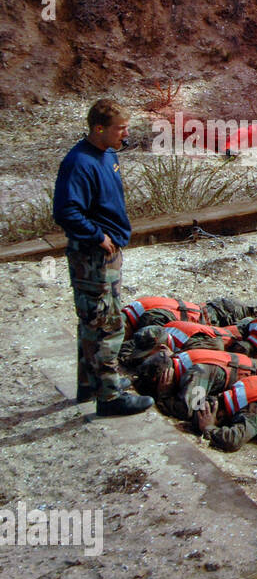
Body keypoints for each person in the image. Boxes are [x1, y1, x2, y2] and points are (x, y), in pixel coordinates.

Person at [52, 98, 153, 416]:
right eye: (120, 128)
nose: (126, 134)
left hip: (104, 253)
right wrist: (98, 237)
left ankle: (90, 384)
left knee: (91, 321)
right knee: (107, 324)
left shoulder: (107, 154)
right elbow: (65, 210)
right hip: (94, 256)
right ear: (98, 129)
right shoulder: (79, 162)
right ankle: (109, 398)